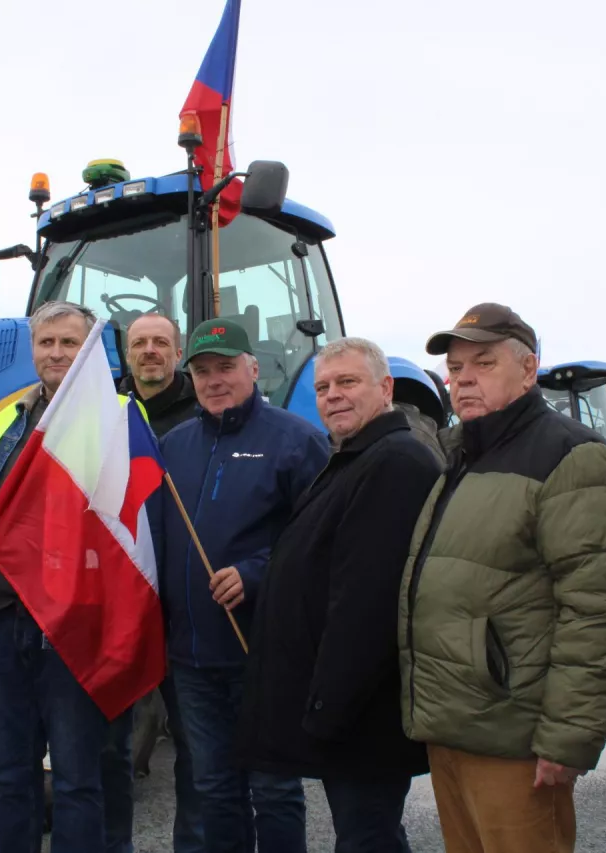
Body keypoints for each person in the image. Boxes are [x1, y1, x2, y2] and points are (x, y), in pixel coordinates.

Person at [398, 303, 606, 853]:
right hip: (455, 727)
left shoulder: (569, 456)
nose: (464, 381)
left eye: (482, 364)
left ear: (529, 370)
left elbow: (598, 609)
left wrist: (568, 736)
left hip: (516, 739)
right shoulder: (462, 456)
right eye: (456, 370)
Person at [236, 337, 442, 852]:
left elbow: (365, 604)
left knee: (367, 837)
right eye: (324, 387)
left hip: (362, 713)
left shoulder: (394, 463)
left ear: (385, 387)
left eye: (347, 382)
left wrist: (327, 707)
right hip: (346, 707)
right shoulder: (353, 459)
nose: (333, 396)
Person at [0, 301, 126, 853]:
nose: (56, 353)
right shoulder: (5, 419)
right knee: (8, 777)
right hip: (4, 623)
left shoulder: (119, 417)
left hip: (75, 623)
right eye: (47, 343)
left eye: (69, 343)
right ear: (33, 350)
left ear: (89, 350)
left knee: (77, 778)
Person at [152, 318, 330, 853]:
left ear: (253, 368)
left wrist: (255, 573)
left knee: (273, 790)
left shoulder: (297, 442)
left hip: (264, 654)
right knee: (212, 789)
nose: (214, 380)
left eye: (226, 367)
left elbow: (321, 542)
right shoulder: (172, 447)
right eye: (203, 371)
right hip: (192, 660)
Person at [102, 312, 204, 853]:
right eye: (139, 342)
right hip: (120, 601)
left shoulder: (206, 411)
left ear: (178, 350)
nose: (149, 351)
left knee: (196, 745)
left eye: (160, 342)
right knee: (107, 745)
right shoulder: (104, 410)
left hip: (184, 605)